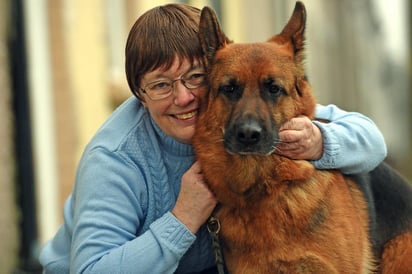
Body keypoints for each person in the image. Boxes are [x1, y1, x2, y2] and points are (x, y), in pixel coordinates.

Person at [39, 3, 387, 273]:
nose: (184, 98)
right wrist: (183, 218)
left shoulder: (253, 98)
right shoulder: (115, 158)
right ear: (139, 95)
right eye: (161, 84)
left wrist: (321, 142)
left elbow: (371, 140)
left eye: (194, 77)